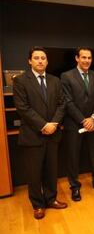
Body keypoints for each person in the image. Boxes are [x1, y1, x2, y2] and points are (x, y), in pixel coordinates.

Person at [13, 47, 67, 220]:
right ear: (30, 61)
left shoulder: (55, 80)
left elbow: (62, 104)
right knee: (34, 172)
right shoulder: (21, 81)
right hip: (33, 135)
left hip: (53, 134)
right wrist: (43, 125)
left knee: (52, 170)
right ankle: (37, 204)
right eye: (36, 58)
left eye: (43, 58)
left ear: (47, 61)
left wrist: (53, 124)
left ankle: (51, 199)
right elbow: (23, 108)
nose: (40, 61)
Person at [61, 47, 94, 202]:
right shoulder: (66, 76)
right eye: (83, 57)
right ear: (77, 58)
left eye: (89, 58)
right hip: (74, 124)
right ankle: (75, 187)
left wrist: (93, 118)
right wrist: (84, 120)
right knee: (73, 156)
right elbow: (67, 102)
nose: (86, 61)